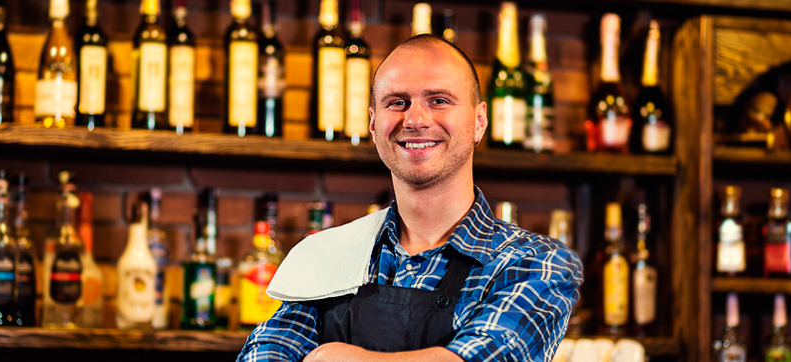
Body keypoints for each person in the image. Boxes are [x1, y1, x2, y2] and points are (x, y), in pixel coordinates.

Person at [237, 34, 583, 362]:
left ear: (479, 121)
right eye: (397, 102)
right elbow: (266, 352)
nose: (415, 119)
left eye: (439, 100)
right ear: (373, 124)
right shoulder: (327, 255)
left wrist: (334, 356)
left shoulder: (534, 263)